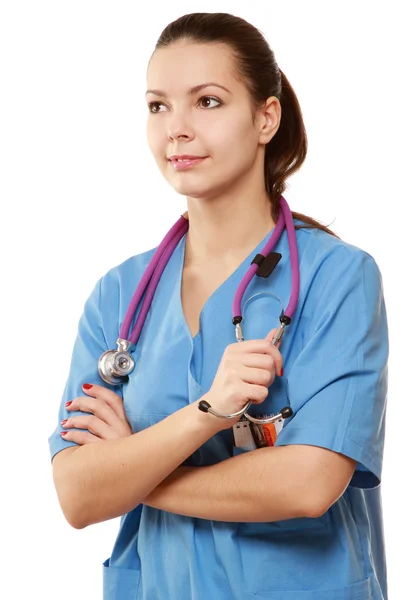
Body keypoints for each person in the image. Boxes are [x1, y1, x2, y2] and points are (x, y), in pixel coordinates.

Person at [48, 11, 389, 600]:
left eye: (207, 102)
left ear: (266, 117)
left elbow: (309, 483)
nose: (176, 129)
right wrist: (207, 412)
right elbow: (77, 497)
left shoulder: (337, 278)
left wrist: (135, 471)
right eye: (158, 106)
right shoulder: (121, 295)